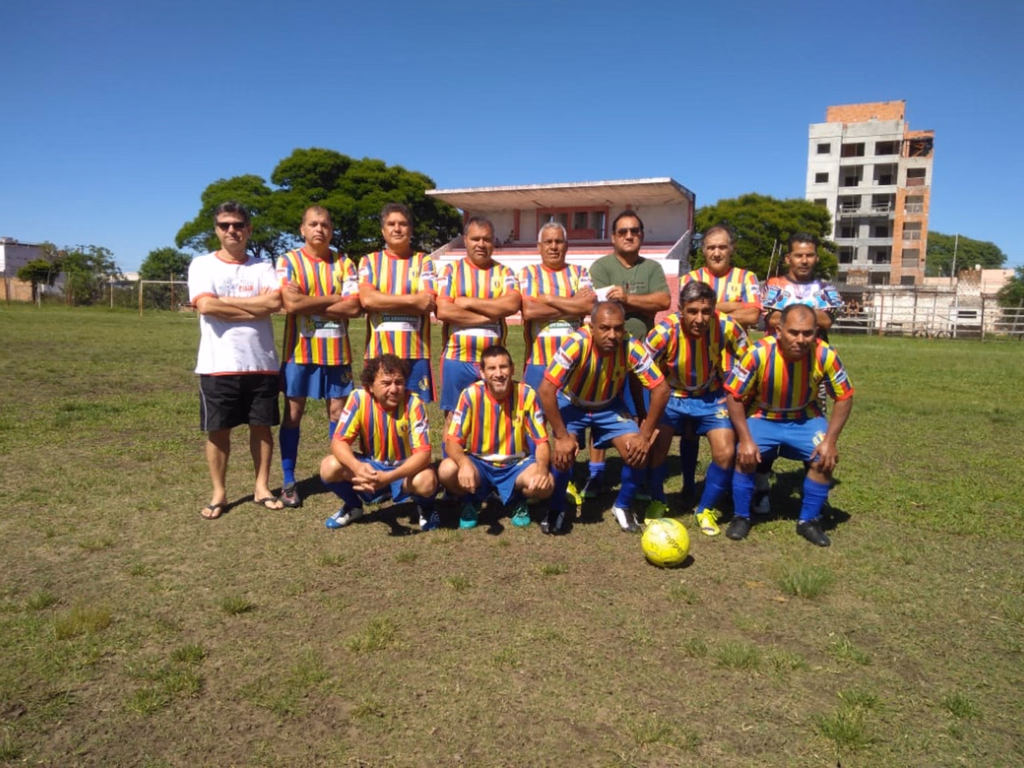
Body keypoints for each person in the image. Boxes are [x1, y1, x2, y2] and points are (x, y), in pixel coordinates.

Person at [722, 304, 854, 546]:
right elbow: (734, 396)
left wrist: (830, 442)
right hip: (763, 416)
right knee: (745, 456)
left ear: (816, 331)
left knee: (824, 459)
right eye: (794, 332)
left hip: (805, 418)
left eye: (807, 333)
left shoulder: (826, 354)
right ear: (779, 330)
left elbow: (844, 397)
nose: (801, 339)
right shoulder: (758, 353)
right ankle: (741, 516)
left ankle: (808, 521)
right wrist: (747, 440)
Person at [188, 202, 284, 519]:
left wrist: (224, 302)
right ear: (216, 229)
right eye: (225, 225)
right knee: (218, 431)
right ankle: (219, 493)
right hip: (218, 364)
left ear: (249, 229)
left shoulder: (263, 267)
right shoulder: (202, 265)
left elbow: (273, 302)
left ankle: (262, 487)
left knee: (262, 429)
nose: (232, 230)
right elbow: (205, 306)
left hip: (262, 362)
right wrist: (252, 307)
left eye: (238, 224)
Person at [538, 302, 669, 534]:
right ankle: (557, 507)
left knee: (637, 451)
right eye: (605, 328)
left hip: (609, 406)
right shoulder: (576, 343)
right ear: (591, 326)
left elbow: (661, 389)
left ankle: (623, 506)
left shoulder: (630, 345)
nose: (612, 335)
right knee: (563, 454)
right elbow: (547, 389)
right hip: (572, 402)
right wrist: (560, 436)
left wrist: (644, 434)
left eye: (618, 328)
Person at [644, 281, 750, 535]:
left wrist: (733, 391)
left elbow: (750, 362)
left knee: (725, 452)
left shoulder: (726, 326)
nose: (700, 319)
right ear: (680, 309)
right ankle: (658, 499)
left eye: (706, 311)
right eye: (693, 311)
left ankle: (706, 509)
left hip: (711, 397)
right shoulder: (663, 332)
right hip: (671, 396)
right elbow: (641, 367)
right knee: (657, 447)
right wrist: (652, 401)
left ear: (714, 309)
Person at [276, 206, 362, 509]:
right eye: (313, 224)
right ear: (302, 229)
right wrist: (335, 297)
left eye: (325, 224)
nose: (319, 229)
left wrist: (308, 303)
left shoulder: (344, 263)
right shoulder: (289, 261)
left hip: (337, 354)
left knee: (338, 416)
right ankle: (289, 480)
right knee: (293, 415)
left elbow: (354, 308)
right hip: (299, 353)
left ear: (331, 228)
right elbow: (291, 303)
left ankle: (338, 472)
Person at [756, 232, 845, 512]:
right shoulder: (774, 284)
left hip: (812, 370)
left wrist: (789, 311)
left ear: (816, 257)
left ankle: (815, 496)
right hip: (775, 367)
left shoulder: (825, 287)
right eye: (798, 255)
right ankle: (761, 490)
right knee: (765, 420)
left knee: (814, 423)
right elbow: (769, 316)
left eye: (809, 255)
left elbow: (827, 320)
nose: (804, 260)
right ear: (788, 258)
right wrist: (809, 313)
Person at [585, 212, 671, 497]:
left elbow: (663, 300)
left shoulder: (652, 268)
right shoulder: (601, 267)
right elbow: (599, 309)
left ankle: (641, 469)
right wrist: (639, 307)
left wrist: (627, 299)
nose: (629, 235)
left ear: (642, 235)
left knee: (645, 414)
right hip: (608, 355)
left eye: (635, 230)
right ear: (613, 237)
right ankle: (596, 475)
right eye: (622, 231)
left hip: (644, 354)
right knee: (601, 411)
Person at [677, 224, 762, 500]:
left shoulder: (746, 277)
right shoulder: (689, 277)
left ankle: (729, 488)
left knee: (734, 429)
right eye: (711, 247)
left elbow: (752, 316)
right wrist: (732, 305)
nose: (716, 252)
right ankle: (688, 484)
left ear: (731, 249)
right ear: (703, 250)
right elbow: (687, 313)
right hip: (696, 365)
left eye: (722, 247)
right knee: (689, 431)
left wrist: (713, 306)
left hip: (736, 368)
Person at [438, 345, 554, 530]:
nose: (499, 373)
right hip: (479, 463)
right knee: (446, 470)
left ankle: (518, 500)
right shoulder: (470, 395)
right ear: (482, 372)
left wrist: (541, 469)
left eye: (503, 367)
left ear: (512, 369)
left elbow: (541, 442)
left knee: (547, 485)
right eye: (492, 368)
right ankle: (472, 500)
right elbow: (452, 441)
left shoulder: (526, 394)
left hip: (515, 464)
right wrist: (464, 463)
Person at [319, 355, 439, 530]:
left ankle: (426, 508)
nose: (394, 389)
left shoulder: (414, 403)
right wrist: (358, 467)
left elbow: (423, 455)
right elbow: (339, 441)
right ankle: (353, 507)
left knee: (426, 480)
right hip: (373, 468)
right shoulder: (359, 398)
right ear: (370, 386)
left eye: (399, 382)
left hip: (403, 470)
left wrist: (388, 478)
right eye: (386, 383)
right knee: (329, 466)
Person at [436, 217, 521, 421]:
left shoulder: (504, 272)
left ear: (493, 242)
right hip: (457, 358)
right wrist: (492, 313)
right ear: (465, 240)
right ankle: (452, 454)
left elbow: (511, 305)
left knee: (494, 415)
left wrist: (467, 301)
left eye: (487, 239)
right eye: (475, 239)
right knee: (454, 416)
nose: (481, 244)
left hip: (494, 361)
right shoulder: (451, 271)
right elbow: (445, 311)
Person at [358, 203, 437, 403]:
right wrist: (412, 299)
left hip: (415, 353)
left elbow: (427, 303)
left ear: (410, 229)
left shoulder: (424, 261)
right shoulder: (369, 261)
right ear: (383, 230)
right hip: (378, 353)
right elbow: (367, 300)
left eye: (402, 224)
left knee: (415, 412)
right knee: (376, 412)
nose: (397, 228)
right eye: (391, 224)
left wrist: (382, 299)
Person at [518, 222, 595, 391]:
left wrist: (548, 299)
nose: (553, 247)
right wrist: (573, 302)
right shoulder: (529, 272)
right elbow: (530, 310)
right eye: (548, 242)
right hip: (538, 361)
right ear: (539, 247)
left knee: (570, 414)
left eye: (559, 242)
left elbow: (588, 305)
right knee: (537, 414)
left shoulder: (580, 272)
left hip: (575, 359)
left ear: (566, 246)